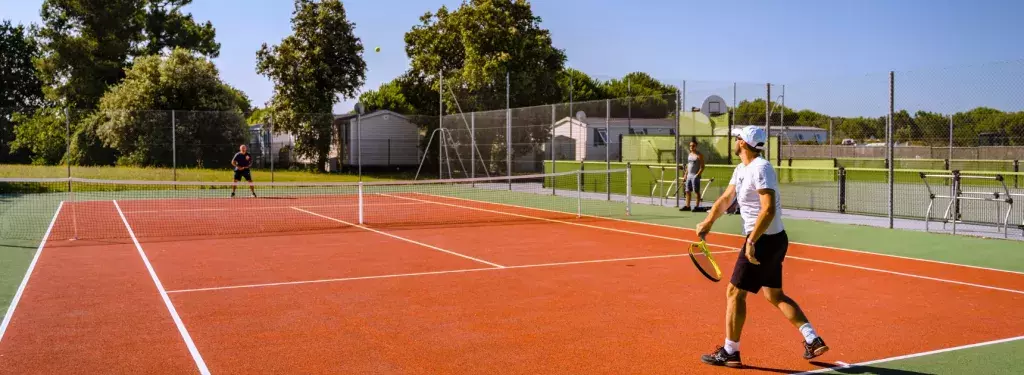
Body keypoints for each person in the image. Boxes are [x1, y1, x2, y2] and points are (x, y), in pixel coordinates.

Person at [695, 125, 828, 368]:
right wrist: (708, 222)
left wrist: (752, 241)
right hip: (772, 239)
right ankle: (812, 338)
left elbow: (768, 208)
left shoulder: (761, 167)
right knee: (774, 294)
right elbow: (726, 199)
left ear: (743, 143)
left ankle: (730, 351)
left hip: (763, 240)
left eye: (737, 137)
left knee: (735, 293)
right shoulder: (741, 169)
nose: (734, 140)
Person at [678, 138, 705, 212]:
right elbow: (688, 166)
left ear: (696, 146)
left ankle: (697, 206)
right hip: (689, 176)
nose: (691, 147)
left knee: (696, 191)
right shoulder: (689, 155)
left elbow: (702, 167)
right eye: (690, 146)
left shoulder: (699, 155)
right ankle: (687, 206)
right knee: (687, 191)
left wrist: (697, 175)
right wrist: (685, 175)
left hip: (695, 176)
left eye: (693, 146)